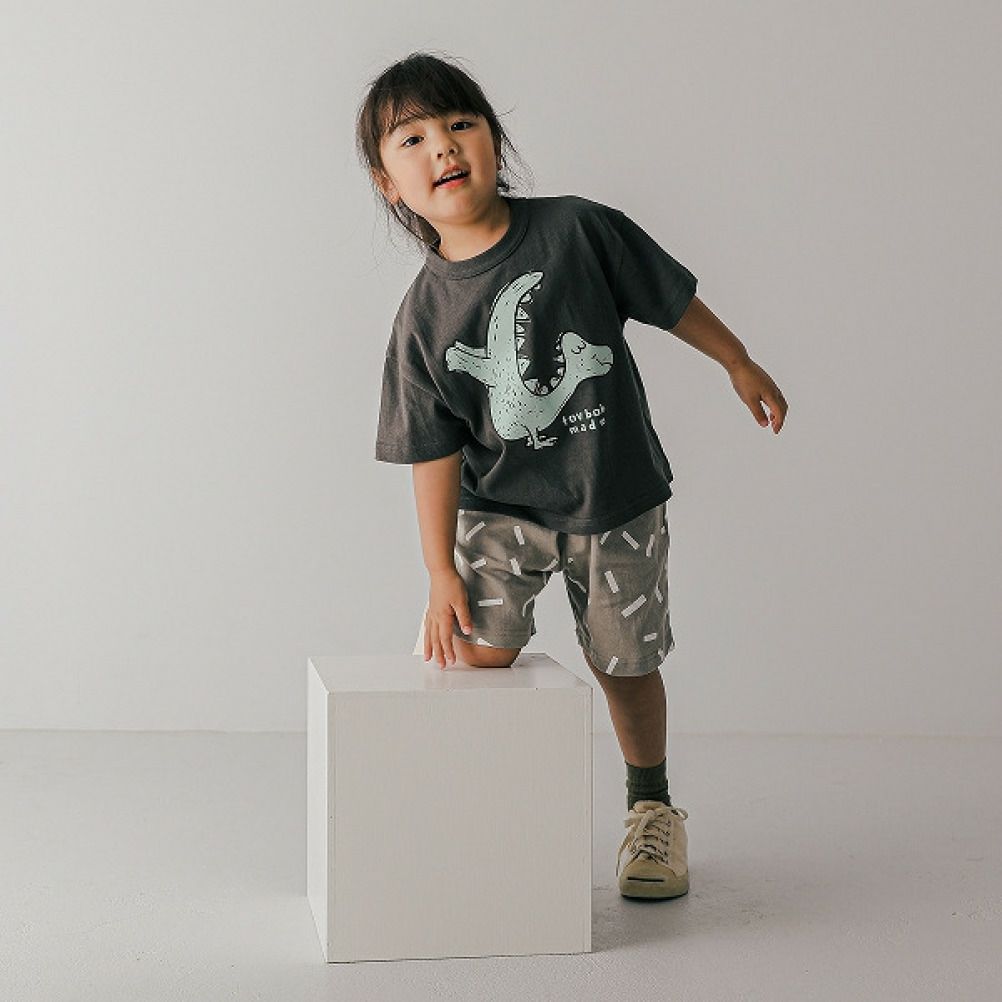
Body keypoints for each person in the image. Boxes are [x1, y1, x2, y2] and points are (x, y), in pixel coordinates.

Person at [356, 51, 788, 900]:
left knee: (625, 663)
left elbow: (668, 299)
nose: (443, 146)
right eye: (413, 139)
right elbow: (432, 452)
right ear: (388, 183)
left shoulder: (579, 230)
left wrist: (737, 360)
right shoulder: (421, 319)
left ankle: (650, 804)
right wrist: (440, 571)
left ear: (493, 139)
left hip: (612, 496)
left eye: (460, 124)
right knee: (477, 653)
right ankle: (486, 813)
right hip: (499, 509)